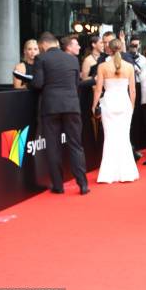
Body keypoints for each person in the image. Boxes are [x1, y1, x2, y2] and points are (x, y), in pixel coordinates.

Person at [30, 32, 89, 195]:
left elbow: (38, 83)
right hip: (72, 105)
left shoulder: (41, 59)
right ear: (55, 43)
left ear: (42, 46)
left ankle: (58, 185)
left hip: (51, 107)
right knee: (76, 145)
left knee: (53, 146)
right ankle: (83, 184)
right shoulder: (72, 59)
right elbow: (76, 82)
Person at [92, 38, 139, 183]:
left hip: (109, 104)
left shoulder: (103, 67)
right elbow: (132, 90)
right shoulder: (129, 67)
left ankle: (108, 174)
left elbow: (98, 89)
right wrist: (132, 106)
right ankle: (127, 173)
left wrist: (94, 106)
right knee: (124, 137)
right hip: (124, 104)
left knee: (110, 137)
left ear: (108, 49)